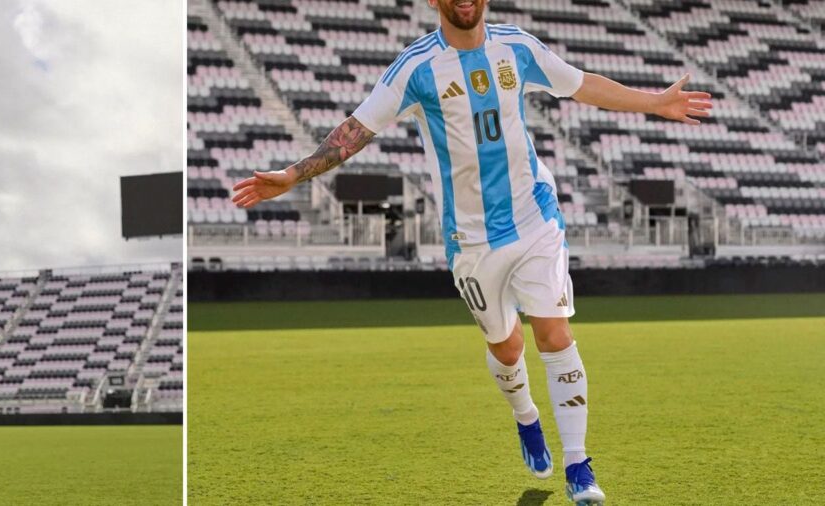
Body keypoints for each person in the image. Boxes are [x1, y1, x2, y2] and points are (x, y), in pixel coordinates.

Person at [230, 0, 712, 503]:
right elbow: (355, 131)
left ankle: (578, 464)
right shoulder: (416, 68)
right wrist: (292, 174)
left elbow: (580, 82)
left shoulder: (517, 47)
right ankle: (526, 418)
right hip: (471, 240)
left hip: (534, 217)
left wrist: (655, 102)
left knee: (555, 332)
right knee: (506, 347)